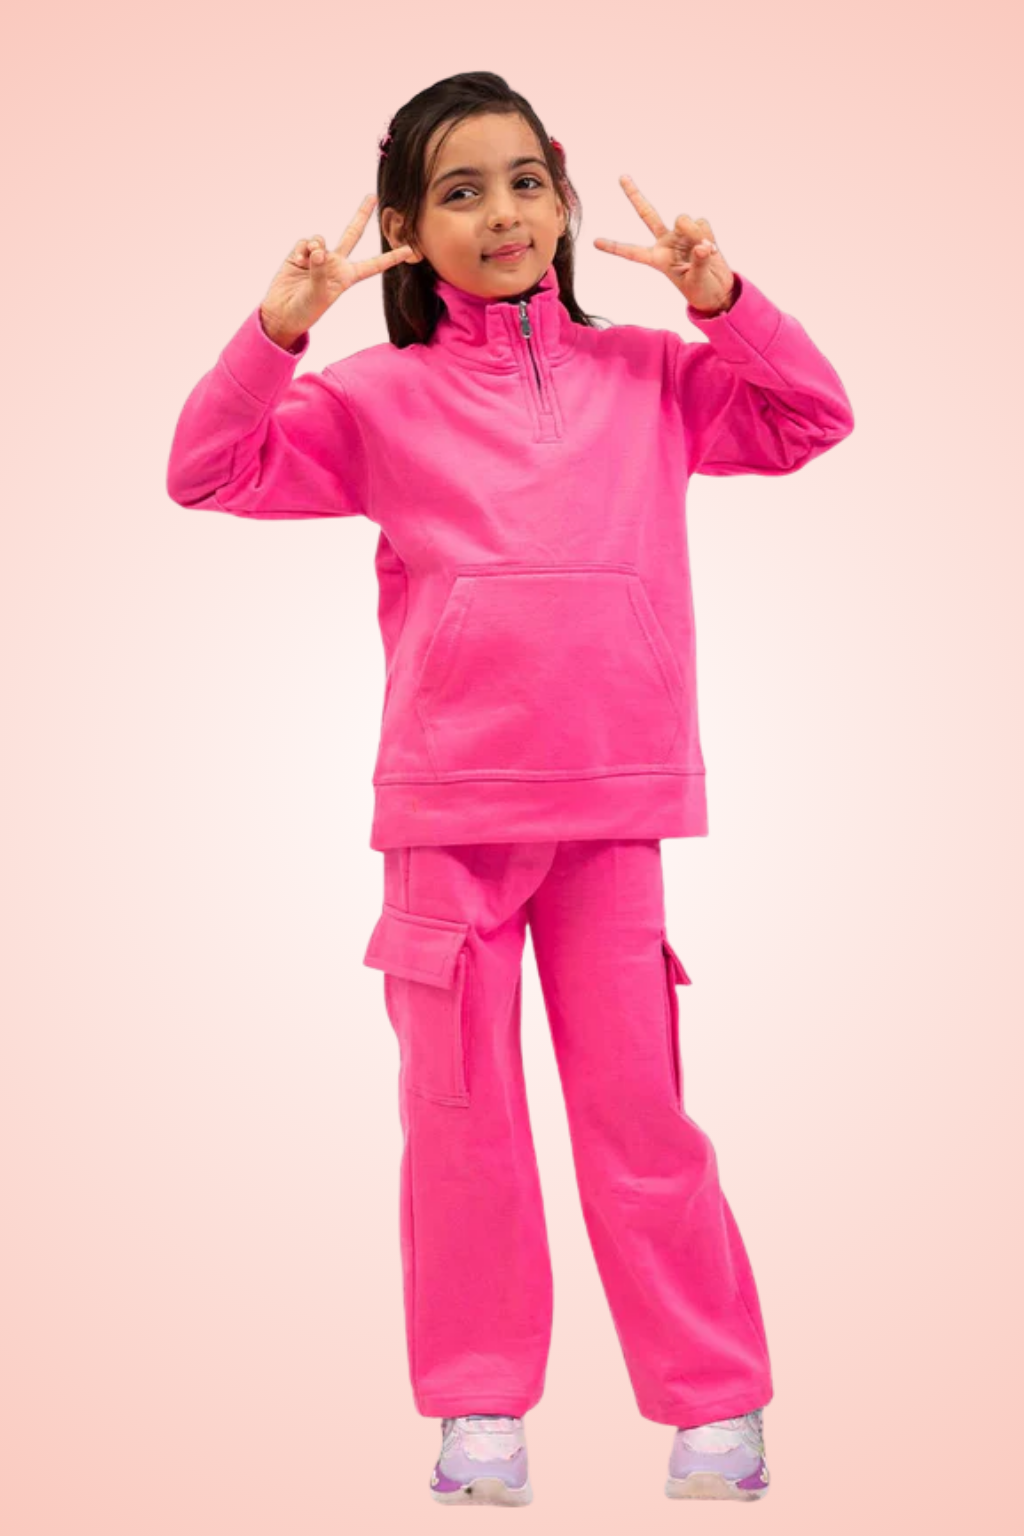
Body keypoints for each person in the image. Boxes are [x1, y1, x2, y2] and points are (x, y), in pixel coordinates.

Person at [166, 70, 854, 1505]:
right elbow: (209, 470)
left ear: (564, 192)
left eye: (526, 181)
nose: (504, 214)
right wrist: (280, 328)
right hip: (452, 818)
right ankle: (480, 1408)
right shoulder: (374, 398)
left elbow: (811, 418)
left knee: (642, 1123)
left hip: (612, 810)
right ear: (406, 231)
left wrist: (724, 302)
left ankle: (713, 1403)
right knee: (463, 1128)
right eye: (461, 191)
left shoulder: (656, 379)